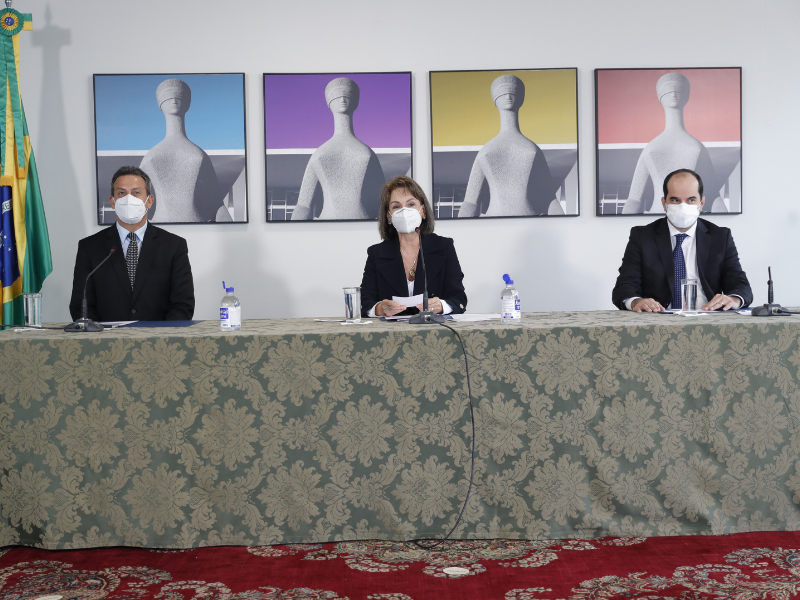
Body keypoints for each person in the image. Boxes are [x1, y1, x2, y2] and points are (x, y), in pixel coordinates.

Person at [612, 168, 751, 313]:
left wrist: (733, 299)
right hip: (657, 321)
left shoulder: (720, 236)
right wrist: (636, 302)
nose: (683, 206)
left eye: (691, 200)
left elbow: (740, 285)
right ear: (664, 203)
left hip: (708, 318)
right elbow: (624, 286)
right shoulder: (642, 236)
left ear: (701, 203)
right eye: (675, 200)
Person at [69, 166, 195, 321]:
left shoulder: (174, 246)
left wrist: (161, 338)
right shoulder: (89, 247)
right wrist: (100, 338)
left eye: (136, 192)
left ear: (149, 201)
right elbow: (80, 306)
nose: (129, 199)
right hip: (105, 341)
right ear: (113, 202)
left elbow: (183, 305)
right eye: (121, 193)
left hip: (160, 341)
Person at [360, 175, 467, 318]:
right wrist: (379, 309)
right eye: (396, 206)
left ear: (422, 211)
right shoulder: (376, 253)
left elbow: (459, 299)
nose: (404, 211)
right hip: (389, 335)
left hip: (435, 332)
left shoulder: (444, 247)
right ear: (389, 216)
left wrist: (441, 305)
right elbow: (365, 303)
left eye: (410, 204)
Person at [459, 74, 562, 218]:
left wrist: (561, 221)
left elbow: (550, 198)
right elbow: (470, 201)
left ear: (521, 98)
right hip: (493, 223)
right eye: (503, 93)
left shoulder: (532, 149)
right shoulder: (487, 151)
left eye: (512, 92)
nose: (508, 96)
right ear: (495, 98)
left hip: (529, 222)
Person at [621, 72, 725, 215]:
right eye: (669, 91)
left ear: (686, 96)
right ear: (660, 97)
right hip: (656, 220)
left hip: (689, 221)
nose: (674, 95)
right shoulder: (651, 148)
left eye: (677, 91)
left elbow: (714, 195)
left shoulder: (697, 147)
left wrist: (724, 223)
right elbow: (634, 198)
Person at [291, 77, 385, 220]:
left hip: (363, 226)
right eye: (337, 96)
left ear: (355, 102)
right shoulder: (320, 154)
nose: (342, 99)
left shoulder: (367, 153)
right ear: (329, 102)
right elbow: (303, 205)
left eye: (346, 95)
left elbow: (383, 200)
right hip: (327, 226)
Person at [139, 78, 228, 223]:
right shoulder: (151, 157)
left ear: (187, 103)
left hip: (196, 225)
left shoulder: (198, 155)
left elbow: (216, 202)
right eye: (169, 97)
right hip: (160, 229)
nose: (174, 101)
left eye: (178, 97)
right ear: (161, 104)